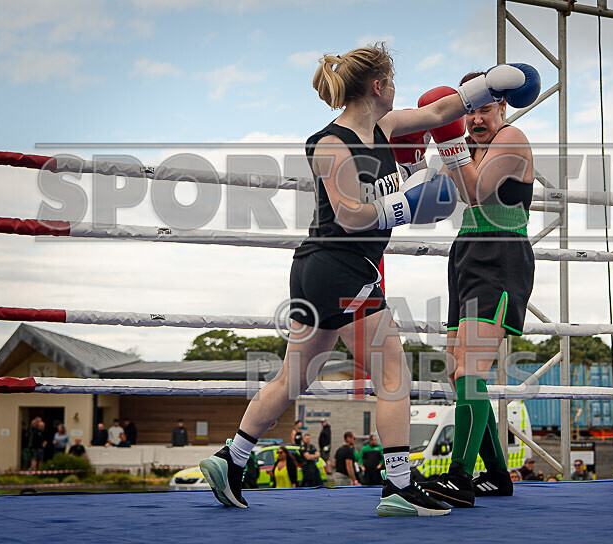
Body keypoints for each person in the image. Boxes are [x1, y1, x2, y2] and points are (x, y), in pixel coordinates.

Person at [199, 43, 534, 517]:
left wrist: (486, 86)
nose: (397, 90)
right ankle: (398, 485)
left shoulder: (386, 127)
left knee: (296, 374)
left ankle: (231, 458)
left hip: (327, 270)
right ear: (378, 86)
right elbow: (350, 215)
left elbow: (441, 111)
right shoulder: (330, 143)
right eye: (392, 82)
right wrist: (406, 206)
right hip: (341, 268)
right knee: (393, 375)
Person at [420, 66, 540, 509]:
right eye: (467, 111)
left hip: (499, 253)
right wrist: (420, 151)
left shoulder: (512, 138)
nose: (475, 119)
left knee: (471, 370)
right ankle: (497, 474)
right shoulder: (471, 147)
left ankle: (459, 476)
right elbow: (437, 196)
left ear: (501, 105)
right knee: (457, 373)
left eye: (483, 109)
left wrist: (449, 143)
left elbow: (476, 193)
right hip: (467, 252)